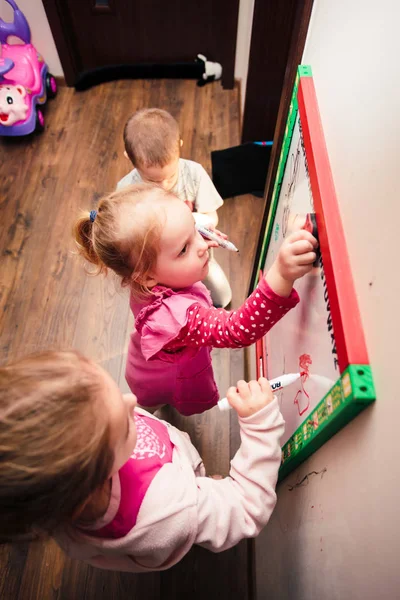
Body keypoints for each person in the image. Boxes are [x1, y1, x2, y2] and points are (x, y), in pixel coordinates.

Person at [0, 350, 284, 572]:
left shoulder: (57, 494)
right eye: (125, 425)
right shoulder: (167, 509)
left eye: (113, 391)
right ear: (90, 484)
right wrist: (260, 425)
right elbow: (246, 508)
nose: (132, 401)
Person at [74, 184, 317, 415]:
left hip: (143, 365)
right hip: (160, 383)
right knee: (146, 411)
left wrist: (190, 234)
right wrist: (281, 274)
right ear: (147, 277)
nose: (202, 246)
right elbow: (236, 330)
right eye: (183, 249)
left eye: (194, 228)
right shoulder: (176, 318)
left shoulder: (143, 275)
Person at [117, 107, 232, 308]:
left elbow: (211, 217)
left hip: (198, 259)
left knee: (222, 298)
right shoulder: (127, 192)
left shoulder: (194, 174)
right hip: (157, 274)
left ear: (179, 145)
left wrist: (195, 221)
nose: (163, 187)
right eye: (152, 180)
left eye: (170, 177)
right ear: (129, 157)